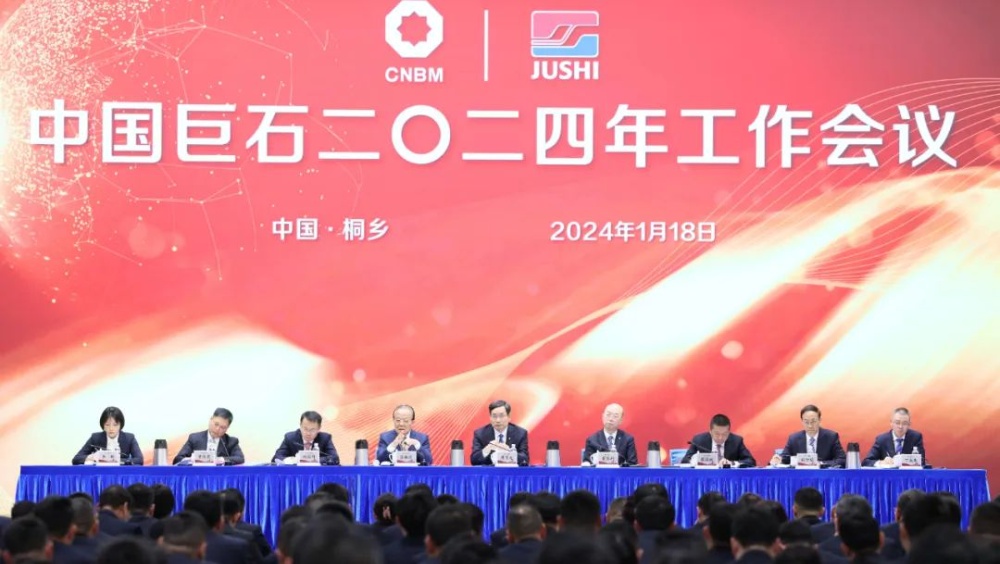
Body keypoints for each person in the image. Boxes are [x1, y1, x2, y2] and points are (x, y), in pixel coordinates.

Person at [770, 405, 847, 468]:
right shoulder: (794, 438)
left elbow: (842, 459)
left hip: (823, 476)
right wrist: (778, 459)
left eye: (813, 421)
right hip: (801, 477)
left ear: (820, 420)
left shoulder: (831, 437)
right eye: (806, 422)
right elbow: (785, 458)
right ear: (802, 421)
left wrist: (820, 463)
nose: (810, 426)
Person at [71, 407, 144, 465]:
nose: (111, 428)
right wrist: (93, 457)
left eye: (115, 425)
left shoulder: (129, 438)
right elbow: (76, 459)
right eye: (107, 425)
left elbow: (139, 460)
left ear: (120, 425)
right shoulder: (95, 438)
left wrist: (116, 460)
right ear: (103, 425)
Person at [173, 408, 245, 465]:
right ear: (211, 420)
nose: (217, 429)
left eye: (222, 427)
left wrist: (221, 459)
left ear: (227, 428)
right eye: (216, 424)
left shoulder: (231, 441)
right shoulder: (194, 438)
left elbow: (240, 458)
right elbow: (177, 459)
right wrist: (191, 460)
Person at [681, 414, 756, 467]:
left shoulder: (737, 441)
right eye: (717, 434)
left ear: (729, 432)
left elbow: (751, 461)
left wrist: (732, 463)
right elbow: (685, 461)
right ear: (710, 431)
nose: (720, 438)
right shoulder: (699, 440)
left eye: (724, 434)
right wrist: (698, 460)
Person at [470, 400, 529, 466]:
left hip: (511, 471)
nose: (498, 420)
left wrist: (509, 452)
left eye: (501, 416)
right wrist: (487, 449)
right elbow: (474, 460)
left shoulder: (520, 433)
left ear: (509, 417)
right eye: (494, 416)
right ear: (490, 417)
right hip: (490, 471)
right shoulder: (480, 434)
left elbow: (525, 460)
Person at [863, 407, 927, 467]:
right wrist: (881, 462)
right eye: (897, 423)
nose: (900, 426)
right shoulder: (882, 439)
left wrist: (903, 461)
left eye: (904, 423)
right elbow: (866, 462)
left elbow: (922, 461)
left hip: (908, 474)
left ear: (909, 424)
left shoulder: (915, 437)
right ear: (891, 423)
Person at [271, 411, 339, 465]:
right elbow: (276, 458)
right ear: (300, 426)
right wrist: (291, 460)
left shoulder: (325, 438)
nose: (308, 433)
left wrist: (308, 460)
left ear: (319, 428)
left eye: (312, 430)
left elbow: (335, 458)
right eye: (305, 429)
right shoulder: (290, 438)